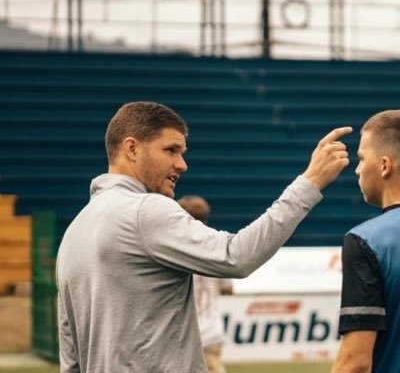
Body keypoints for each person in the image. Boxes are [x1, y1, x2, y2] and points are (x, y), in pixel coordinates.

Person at [56, 101, 352, 373]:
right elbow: (236, 256)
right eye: (171, 150)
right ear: (131, 149)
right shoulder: (146, 210)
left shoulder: (73, 234)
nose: (182, 164)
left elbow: (71, 359)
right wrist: (309, 183)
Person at [331, 110, 400, 373]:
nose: (358, 169)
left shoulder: (366, 241)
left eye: (361, 158)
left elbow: (355, 363)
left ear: (384, 165)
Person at [177, 195, 232, 373]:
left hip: (184, 331)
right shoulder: (216, 244)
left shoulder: (175, 246)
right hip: (212, 329)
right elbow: (227, 289)